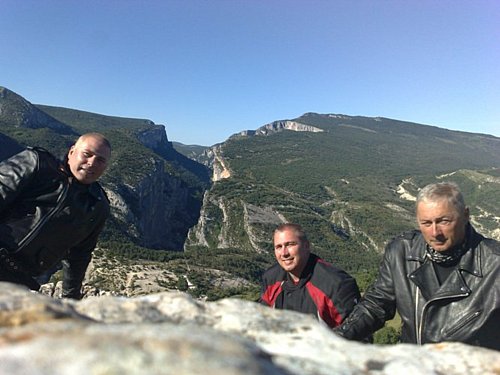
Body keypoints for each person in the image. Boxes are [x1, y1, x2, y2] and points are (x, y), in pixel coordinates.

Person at [335, 182, 500, 350]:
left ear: (465, 215)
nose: (435, 232)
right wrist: (335, 339)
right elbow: (376, 305)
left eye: (444, 221)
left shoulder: (494, 265)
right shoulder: (402, 253)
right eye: (426, 223)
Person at [0, 132, 111, 299]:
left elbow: (79, 255)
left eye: (100, 160)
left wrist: (70, 299)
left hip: (19, 281)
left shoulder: (97, 206)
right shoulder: (38, 164)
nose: (91, 163)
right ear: (72, 151)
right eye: (87, 154)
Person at [260, 223, 361, 329]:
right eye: (279, 247)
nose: (284, 253)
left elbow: (357, 334)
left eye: (290, 244)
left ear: (306, 246)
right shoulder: (271, 279)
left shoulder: (335, 284)